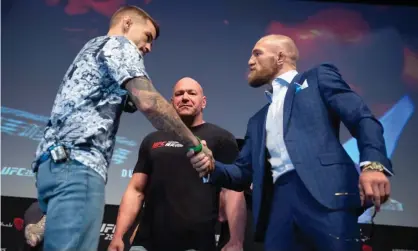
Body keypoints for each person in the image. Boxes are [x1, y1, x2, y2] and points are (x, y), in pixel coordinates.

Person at [188, 34, 393, 251]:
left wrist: (373, 165)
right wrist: (210, 165)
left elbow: (362, 118)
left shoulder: (317, 79)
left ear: (280, 57)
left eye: (257, 53)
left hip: (326, 196)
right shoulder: (257, 121)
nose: (250, 61)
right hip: (278, 206)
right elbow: (241, 174)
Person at [32, 6, 211, 251]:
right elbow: (150, 103)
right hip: (79, 167)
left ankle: (50, 219)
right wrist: (195, 144)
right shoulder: (119, 45)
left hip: (50, 168)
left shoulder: (92, 48)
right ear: (127, 23)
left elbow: (123, 99)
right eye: (147, 37)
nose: (149, 47)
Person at [108, 77, 247, 251]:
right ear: (171, 102)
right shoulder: (152, 140)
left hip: (197, 243)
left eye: (192, 93)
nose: (185, 97)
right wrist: (118, 235)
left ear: (203, 102)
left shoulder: (222, 138)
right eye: (179, 94)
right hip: (146, 243)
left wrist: (236, 240)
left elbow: (232, 191)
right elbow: (135, 190)